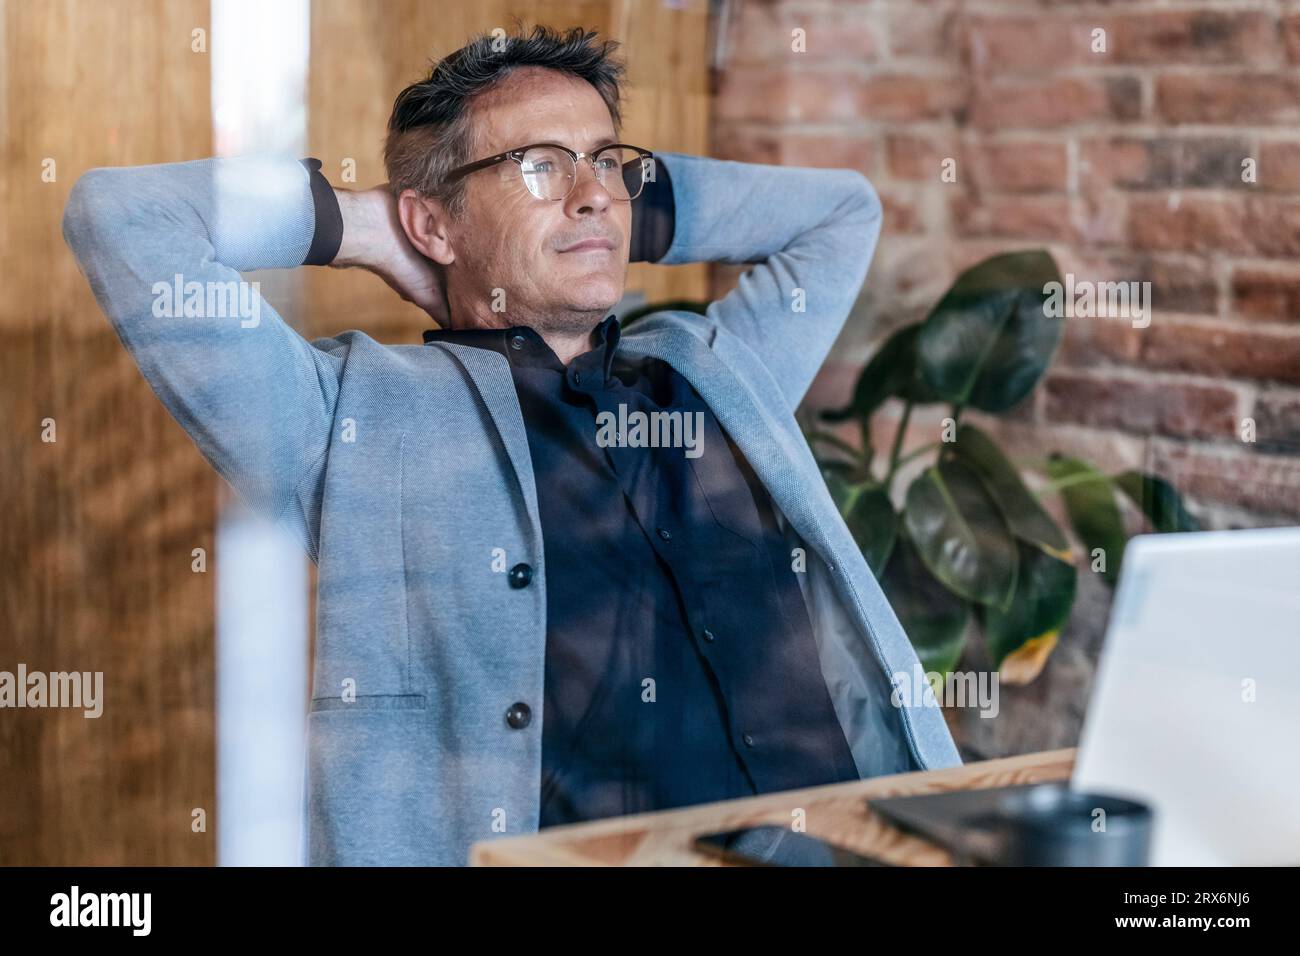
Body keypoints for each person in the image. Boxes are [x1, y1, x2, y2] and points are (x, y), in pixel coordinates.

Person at [62, 24, 959, 866]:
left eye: (608, 161)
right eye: (537, 164)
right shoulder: (344, 419)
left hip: (859, 844)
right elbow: (122, 215)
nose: (594, 189)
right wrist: (372, 227)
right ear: (434, 225)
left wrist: (592, 213)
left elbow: (840, 214)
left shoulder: (716, 369)